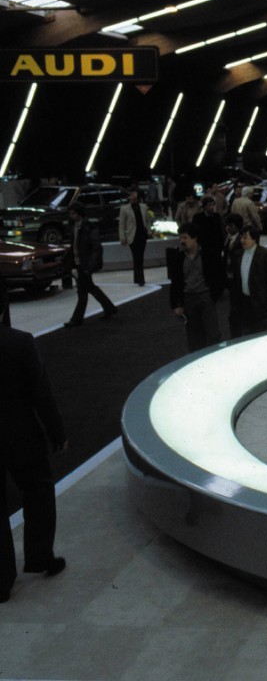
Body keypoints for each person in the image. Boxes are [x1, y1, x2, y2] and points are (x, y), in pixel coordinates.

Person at [1, 320, 68, 603]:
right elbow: (41, 392)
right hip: (20, 433)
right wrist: (57, 433)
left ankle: (2, 579)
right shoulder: (20, 342)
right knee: (38, 489)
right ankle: (40, 555)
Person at [168, 223, 225, 352]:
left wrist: (213, 295)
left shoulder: (208, 254)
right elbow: (175, 281)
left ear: (195, 238)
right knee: (194, 335)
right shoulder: (179, 257)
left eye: (185, 238)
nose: (182, 241)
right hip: (188, 299)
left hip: (206, 296)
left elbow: (219, 275)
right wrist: (175, 305)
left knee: (213, 333)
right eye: (180, 238)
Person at [64, 203, 117, 327]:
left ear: (79, 213)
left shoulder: (87, 227)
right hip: (81, 263)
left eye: (73, 213)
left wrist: (89, 265)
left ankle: (77, 318)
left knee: (83, 292)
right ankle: (108, 307)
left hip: (84, 264)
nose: (71, 216)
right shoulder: (77, 226)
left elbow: (95, 248)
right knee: (89, 288)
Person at [229, 225, 267, 337]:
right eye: (241, 237)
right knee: (246, 329)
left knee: (260, 331)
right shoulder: (239, 254)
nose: (242, 240)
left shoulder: (265, 254)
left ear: (254, 239)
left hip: (260, 300)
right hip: (244, 300)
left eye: (245, 237)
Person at [119, 188, 151, 286]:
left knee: (140, 257)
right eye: (131, 195)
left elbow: (147, 220)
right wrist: (122, 237)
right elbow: (122, 224)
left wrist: (149, 231)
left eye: (134, 194)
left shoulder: (143, 207)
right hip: (132, 236)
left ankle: (138, 278)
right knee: (136, 257)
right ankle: (140, 279)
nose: (133, 196)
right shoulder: (124, 209)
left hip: (142, 235)